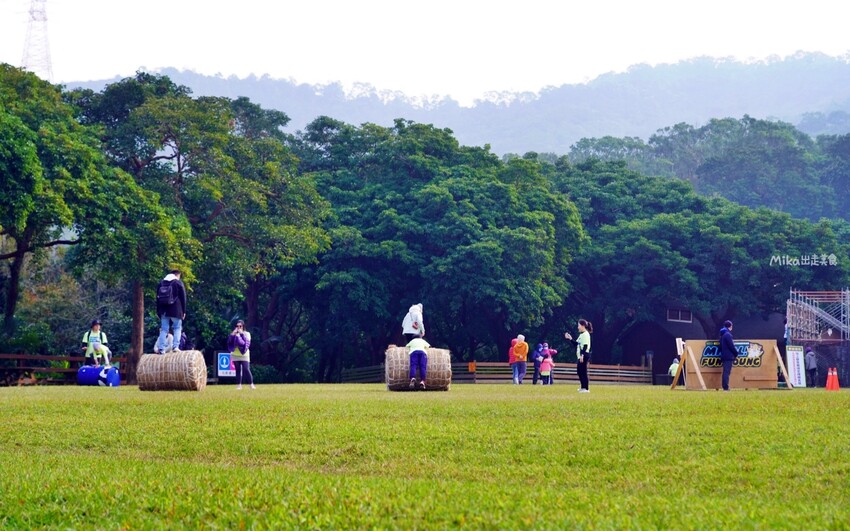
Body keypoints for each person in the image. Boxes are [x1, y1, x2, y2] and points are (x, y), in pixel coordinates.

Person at [155, 269, 187, 354]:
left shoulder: (161, 283)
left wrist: (158, 311)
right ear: (177, 275)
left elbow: (157, 298)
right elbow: (183, 298)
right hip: (176, 310)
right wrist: (183, 311)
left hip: (163, 310)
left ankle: (161, 349)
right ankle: (175, 347)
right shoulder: (178, 283)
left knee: (164, 330)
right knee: (177, 328)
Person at [565, 319, 593, 393]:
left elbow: (585, 346)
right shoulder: (581, 335)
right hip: (581, 355)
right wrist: (570, 339)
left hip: (584, 355)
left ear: (583, 326)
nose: (578, 327)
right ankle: (582, 387)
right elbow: (576, 344)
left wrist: (582, 355)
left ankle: (586, 388)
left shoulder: (586, 334)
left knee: (583, 371)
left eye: (578, 325)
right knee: (579, 371)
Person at [227, 320, 254, 390]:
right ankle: (239, 385)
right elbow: (229, 342)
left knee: (246, 369)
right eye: (237, 326)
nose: (238, 327)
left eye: (240, 326)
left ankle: (251, 384)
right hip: (235, 354)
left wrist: (241, 334)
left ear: (243, 326)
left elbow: (246, 343)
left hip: (244, 355)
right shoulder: (233, 333)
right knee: (238, 370)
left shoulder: (247, 333)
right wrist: (233, 334)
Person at [719, 320, 736, 391]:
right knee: (727, 372)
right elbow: (731, 346)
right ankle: (725, 387)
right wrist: (736, 353)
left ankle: (725, 386)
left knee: (725, 371)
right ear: (730, 326)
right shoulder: (727, 335)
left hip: (724, 355)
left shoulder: (722, 334)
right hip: (728, 356)